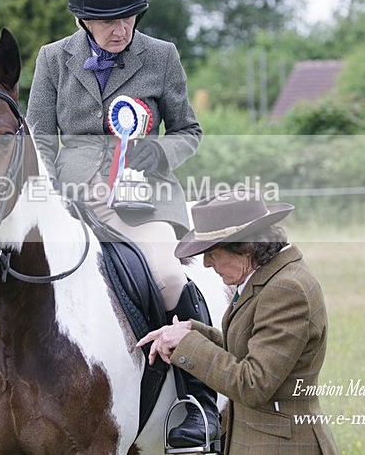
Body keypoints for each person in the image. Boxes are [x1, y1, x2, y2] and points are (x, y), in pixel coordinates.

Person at [26, 0, 219, 447]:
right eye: (107, 21)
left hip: (141, 202)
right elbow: (40, 141)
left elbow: (189, 131)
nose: (121, 29)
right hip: (72, 204)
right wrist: (58, 191)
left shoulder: (161, 56)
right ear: (81, 20)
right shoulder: (53, 60)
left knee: (168, 274)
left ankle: (196, 401)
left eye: (129, 17)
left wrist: (152, 156)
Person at [137, 189, 340, 454]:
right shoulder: (268, 278)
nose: (207, 264)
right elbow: (250, 348)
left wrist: (189, 346)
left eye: (212, 252)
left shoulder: (286, 290)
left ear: (244, 247)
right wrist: (194, 332)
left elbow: (253, 384)